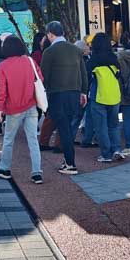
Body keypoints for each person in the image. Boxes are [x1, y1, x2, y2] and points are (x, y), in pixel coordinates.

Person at [0, 35, 44, 184]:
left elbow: (2, 91)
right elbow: (40, 79)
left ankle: (5, 168)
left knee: (8, 139)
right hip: (31, 105)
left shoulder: (3, 66)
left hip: (13, 108)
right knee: (33, 140)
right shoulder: (29, 61)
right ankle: (36, 172)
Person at [40, 21, 88, 175]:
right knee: (67, 127)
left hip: (57, 95)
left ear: (50, 34)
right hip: (74, 94)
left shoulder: (49, 52)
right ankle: (68, 161)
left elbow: (44, 76)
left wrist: (42, 95)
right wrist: (83, 92)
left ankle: (70, 163)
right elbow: (83, 73)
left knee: (64, 129)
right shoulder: (75, 49)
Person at [87, 33, 123, 163]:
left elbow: (88, 78)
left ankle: (106, 155)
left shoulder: (93, 61)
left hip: (99, 97)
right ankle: (117, 149)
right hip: (114, 96)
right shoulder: (114, 59)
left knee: (101, 127)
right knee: (113, 125)